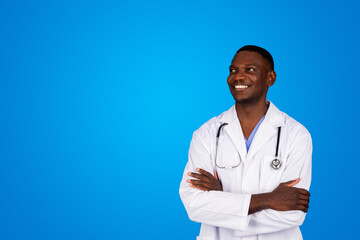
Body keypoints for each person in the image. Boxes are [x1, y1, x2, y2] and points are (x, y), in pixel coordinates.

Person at [179, 45, 312, 240]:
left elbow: (292, 213)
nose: (238, 77)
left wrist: (222, 201)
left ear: (270, 78)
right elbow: (194, 205)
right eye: (233, 70)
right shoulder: (206, 133)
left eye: (250, 70)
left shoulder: (296, 134)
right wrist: (268, 199)